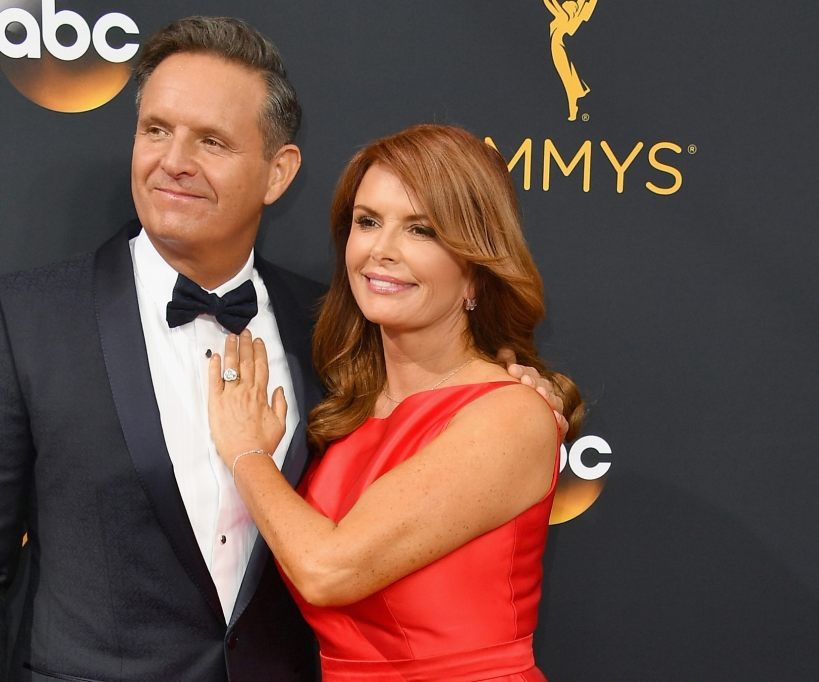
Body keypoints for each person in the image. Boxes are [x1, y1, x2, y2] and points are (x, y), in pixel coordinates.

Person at [0, 16, 568, 682]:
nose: (174, 161)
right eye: (156, 130)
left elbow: (450, 423)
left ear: (277, 173)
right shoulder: (25, 319)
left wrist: (521, 403)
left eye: (212, 141)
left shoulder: (334, 330)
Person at [207, 124, 583, 681]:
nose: (381, 251)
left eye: (421, 230)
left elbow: (326, 569)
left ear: (475, 270)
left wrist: (246, 454)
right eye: (367, 222)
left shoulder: (510, 412)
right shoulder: (346, 408)